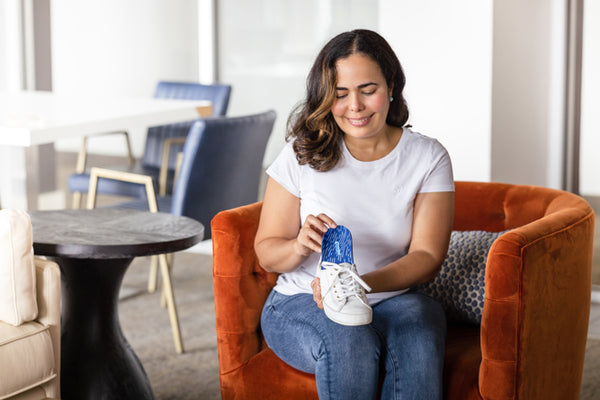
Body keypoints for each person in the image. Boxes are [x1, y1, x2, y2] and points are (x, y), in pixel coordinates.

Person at [254, 29, 454, 400]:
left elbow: (427, 257)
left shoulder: (428, 157)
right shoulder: (301, 153)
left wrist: (357, 287)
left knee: (422, 322)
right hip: (302, 300)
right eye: (340, 94)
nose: (355, 106)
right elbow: (267, 253)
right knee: (350, 337)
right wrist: (299, 246)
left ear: (391, 85)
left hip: (392, 295)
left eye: (368, 89)